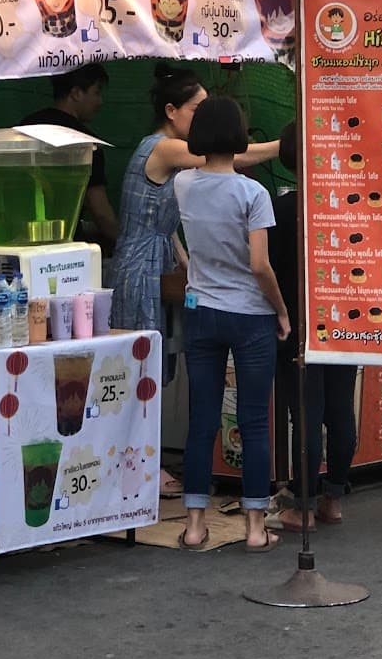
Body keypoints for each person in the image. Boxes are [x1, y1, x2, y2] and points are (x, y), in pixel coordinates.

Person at [110, 63, 280, 497]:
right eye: (196, 108)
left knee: (161, 372)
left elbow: (168, 224)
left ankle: (149, 469)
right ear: (172, 111)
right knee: (141, 367)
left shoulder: (184, 176)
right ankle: (136, 467)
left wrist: (186, 260)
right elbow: (226, 159)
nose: (201, 116)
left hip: (160, 258)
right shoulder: (165, 149)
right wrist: (286, 145)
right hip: (139, 267)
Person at [173, 97, 289, 551]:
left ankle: (196, 524)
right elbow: (260, 265)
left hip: (201, 312)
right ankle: (256, 528)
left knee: (202, 419)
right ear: (241, 137)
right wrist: (280, 309)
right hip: (250, 315)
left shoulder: (184, 184)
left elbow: (172, 233)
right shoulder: (253, 194)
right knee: (254, 421)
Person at [267, 123, 357, 530]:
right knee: (340, 410)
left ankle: (302, 504)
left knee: (304, 413)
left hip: (293, 324)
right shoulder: (346, 206)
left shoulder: (278, 211)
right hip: (344, 317)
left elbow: (262, 268)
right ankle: (333, 497)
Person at [21, 62, 119, 253]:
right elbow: (99, 210)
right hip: (65, 248)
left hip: (21, 240)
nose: (100, 102)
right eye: (96, 92)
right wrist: (124, 243)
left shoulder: (26, 127)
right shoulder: (86, 144)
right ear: (76, 93)